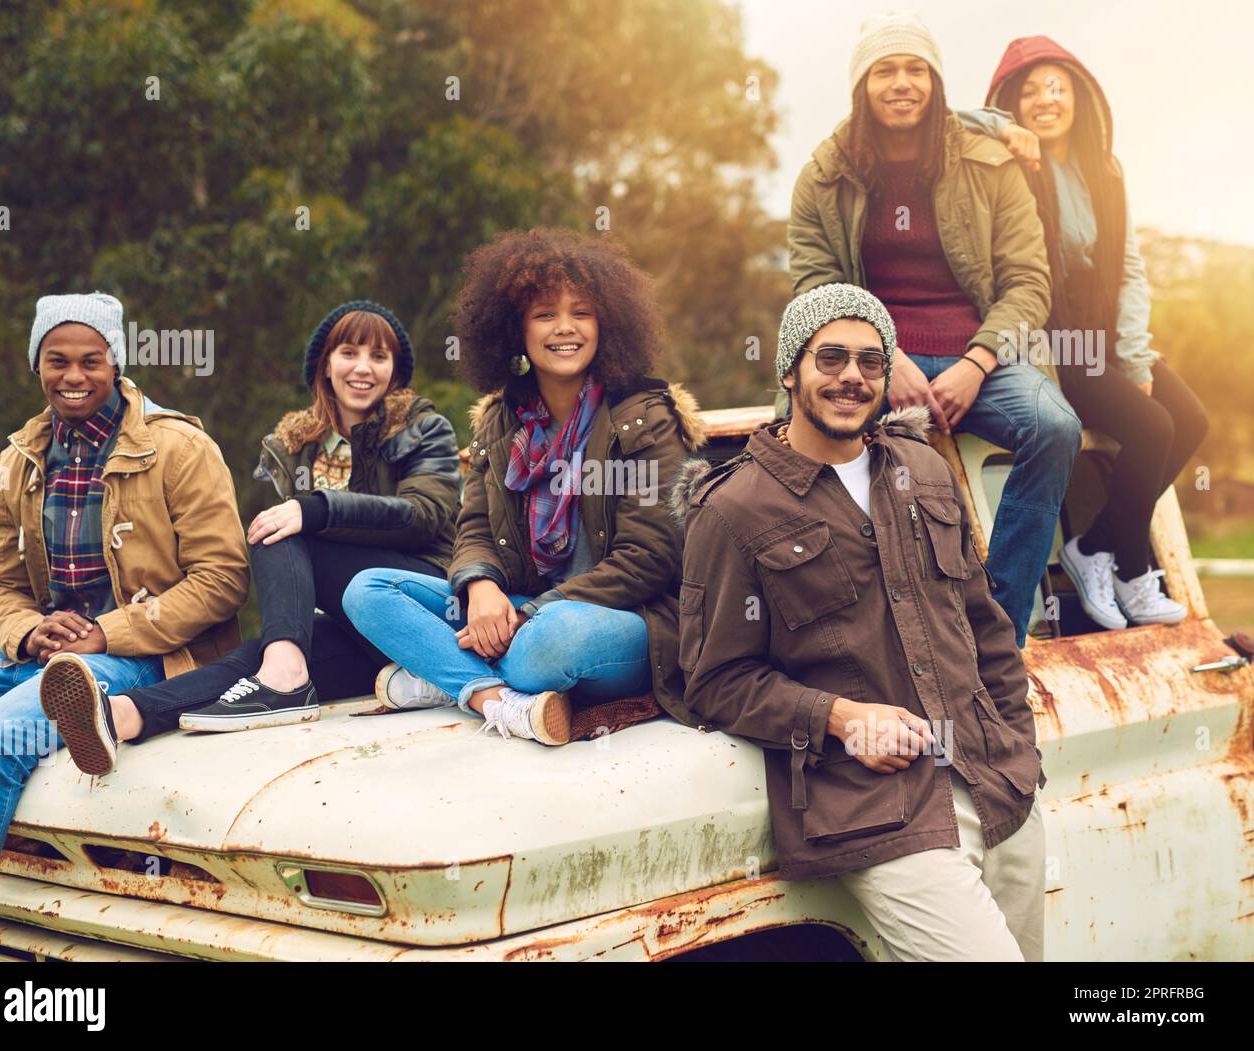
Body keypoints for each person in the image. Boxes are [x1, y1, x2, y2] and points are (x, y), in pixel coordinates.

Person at [675, 284, 1047, 961]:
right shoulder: (734, 510)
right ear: (791, 370)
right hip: (876, 808)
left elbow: (983, 624)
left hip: (996, 782)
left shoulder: (925, 471)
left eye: (872, 362)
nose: (852, 376)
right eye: (832, 358)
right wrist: (840, 717)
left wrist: (1016, 741)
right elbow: (715, 680)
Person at [0, 292, 250, 959]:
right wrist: (30, 630)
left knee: (2, 734)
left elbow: (224, 577)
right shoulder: (19, 461)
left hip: (150, 650)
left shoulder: (178, 447)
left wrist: (107, 633)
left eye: (91, 359)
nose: (74, 375)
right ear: (37, 364)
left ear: (115, 361)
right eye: (57, 359)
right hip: (45, 648)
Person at [38, 301, 460, 755]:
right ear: (325, 364)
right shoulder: (297, 445)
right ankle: (126, 714)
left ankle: (285, 678)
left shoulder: (423, 428)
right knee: (263, 654)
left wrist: (315, 509)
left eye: (379, 356)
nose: (363, 368)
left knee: (282, 532)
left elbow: (425, 515)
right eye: (349, 352)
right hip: (359, 636)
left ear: (395, 370)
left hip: (417, 605)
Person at [343, 228, 705, 745]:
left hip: (622, 623)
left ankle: (441, 674)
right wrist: (480, 586)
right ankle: (491, 699)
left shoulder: (644, 418)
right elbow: (472, 527)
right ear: (516, 330)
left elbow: (649, 558)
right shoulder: (500, 419)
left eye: (582, 312)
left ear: (608, 324)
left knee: (546, 645)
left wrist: (527, 612)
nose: (565, 328)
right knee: (370, 589)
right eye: (544, 314)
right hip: (520, 604)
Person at [786, 12, 1081, 645]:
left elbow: (1029, 282)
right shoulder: (823, 173)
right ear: (863, 84)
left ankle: (996, 626)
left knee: (1055, 428)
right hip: (871, 357)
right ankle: (851, 631)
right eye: (885, 70)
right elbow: (815, 286)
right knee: (816, 451)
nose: (902, 83)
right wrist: (882, 360)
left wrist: (977, 363)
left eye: (916, 69)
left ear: (936, 82)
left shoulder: (989, 162)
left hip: (984, 354)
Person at [983, 37, 1208, 629]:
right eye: (1028, 92)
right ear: (1011, 103)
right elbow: (946, 122)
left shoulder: (1107, 170)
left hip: (1108, 339)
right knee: (1152, 425)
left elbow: (1129, 266)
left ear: (1079, 97)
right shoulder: (1006, 162)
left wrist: (1136, 357)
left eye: (1057, 86)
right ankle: (1130, 567)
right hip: (1053, 343)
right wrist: (997, 126)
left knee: (1191, 420)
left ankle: (1094, 546)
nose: (1045, 100)